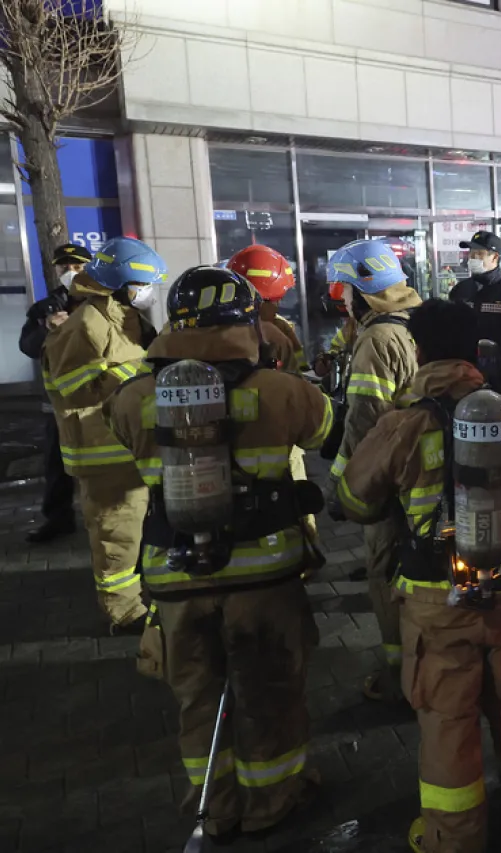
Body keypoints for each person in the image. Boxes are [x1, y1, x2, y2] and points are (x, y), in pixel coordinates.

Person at [106, 265, 332, 840]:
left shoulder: (133, 399)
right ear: (244, 320)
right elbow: (327, 429)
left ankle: (215, 807)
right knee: (270, 693)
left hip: (175, 574)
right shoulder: (280, 391)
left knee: (197, 699)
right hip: (264, 577)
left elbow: (120, 436)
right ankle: (271, 803)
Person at [336, 299, 501, 853]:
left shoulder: (402, 424)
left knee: (447, 724)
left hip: (437, 603)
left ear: (421, 350)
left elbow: (355, 501)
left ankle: (454, 841)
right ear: (476, 350)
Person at [42, 237, 163, 632]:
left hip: (129, 445)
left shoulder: (121, 316)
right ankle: (123, 613)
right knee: (116, 534)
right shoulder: (86, 324)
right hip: (102, 450)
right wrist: (139, 378)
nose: (148, 292)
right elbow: (71, 385)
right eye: (143, 284)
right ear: (123, 282)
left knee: (137, 527)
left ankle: (139, 595)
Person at [328, 239, 424, 702]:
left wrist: (345, 486)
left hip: (390, 477)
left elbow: (366, 422)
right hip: (426, 471)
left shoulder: (378, 339)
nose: (339, 298)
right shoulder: (416, 319)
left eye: (341, 288)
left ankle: (400, 675)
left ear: (358, 290)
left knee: (386, 573)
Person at [228, 245, 320, 546]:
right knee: (292, 514)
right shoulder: (276, 333)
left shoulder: (198, 331)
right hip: (277, 442)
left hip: (218, 445)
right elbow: (299, 383)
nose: (280, 303)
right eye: (276, 297)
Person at [21, 243, 92, 543]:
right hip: (59, 404)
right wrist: (48, 328)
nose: (70, 272)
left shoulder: (101, 302)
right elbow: (27, 346)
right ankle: (58, 519)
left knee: (107, 462)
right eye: (65, 267)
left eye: (77, 266)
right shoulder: (46, 308)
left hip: (97, 401)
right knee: (57, 464)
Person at [227, 245, 307, 371]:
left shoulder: (219, 330)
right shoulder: (277, 331)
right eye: (277, 299)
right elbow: (298, 374)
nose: (278, 305)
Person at [448, 230, 501, 345]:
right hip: (466, 360)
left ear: (495, 257)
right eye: (471, 252)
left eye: (479, 253)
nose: (472, 258)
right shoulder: (459, 291)